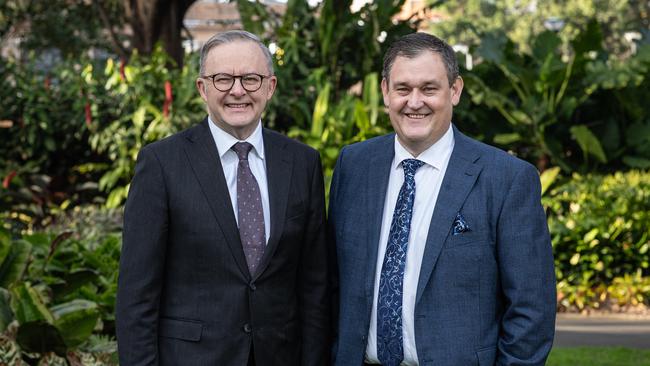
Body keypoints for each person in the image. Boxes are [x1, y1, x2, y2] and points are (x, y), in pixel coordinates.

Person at [329, 32, 556, 366]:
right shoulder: (354, 165)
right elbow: (331, 282)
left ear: (455, 91)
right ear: (385, 92)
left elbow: (531, 310)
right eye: (403, 88)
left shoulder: (506, 178)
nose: (414, 101)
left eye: (429, 88)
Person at [116, 30, 329, 366]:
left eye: (251, 78)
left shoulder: (302, 163)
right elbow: (136, 297)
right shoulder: (162, 164)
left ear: (270, 87)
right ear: (203, 88)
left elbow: (314, 286)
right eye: (223, 79)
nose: (238, 90)